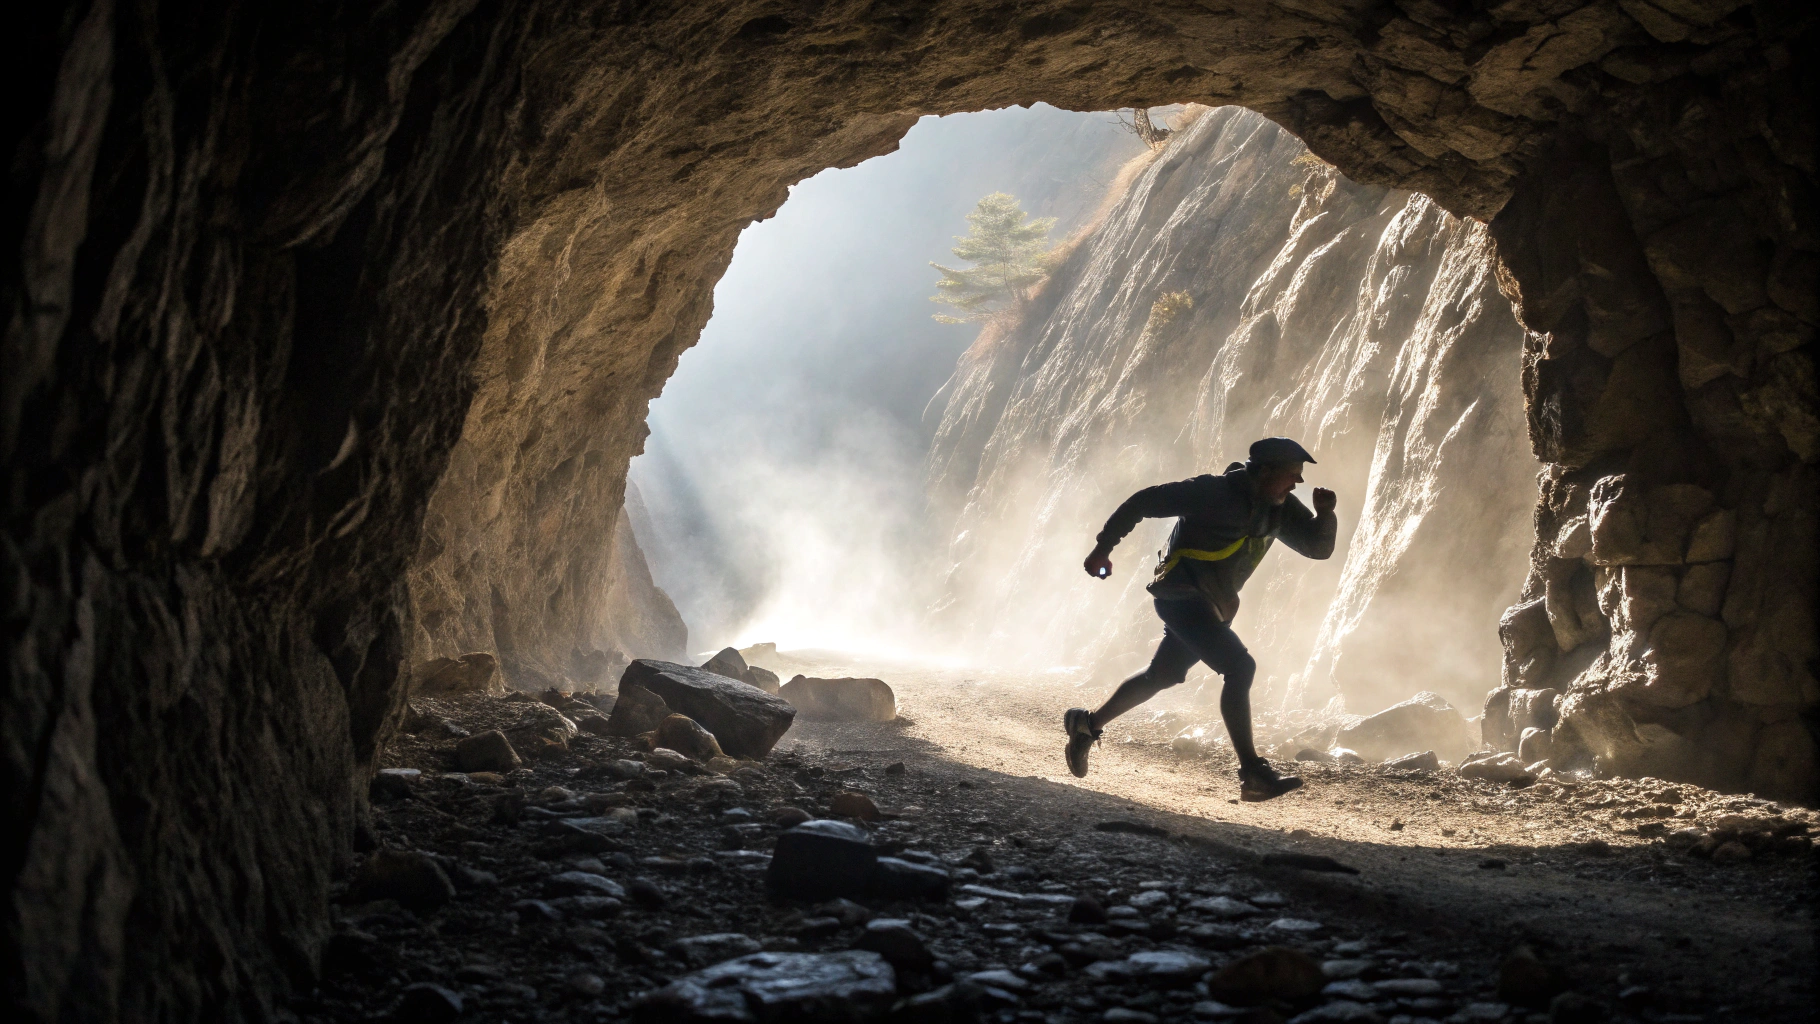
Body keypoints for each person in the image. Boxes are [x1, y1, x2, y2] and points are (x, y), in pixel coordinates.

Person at [1067, 437, 1337, 801]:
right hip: (1180, 597)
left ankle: (1086, 725)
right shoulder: (1211, 492)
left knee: (1162, 675)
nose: (1298, 483)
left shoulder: (1280, 508)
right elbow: (1141, 502)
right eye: (1292, 474)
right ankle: (1253, 774)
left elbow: (1318, 549)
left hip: (1212, 607)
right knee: (1240, 667)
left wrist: (1325, 514)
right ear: (1265, 471)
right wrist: (1103, 548)